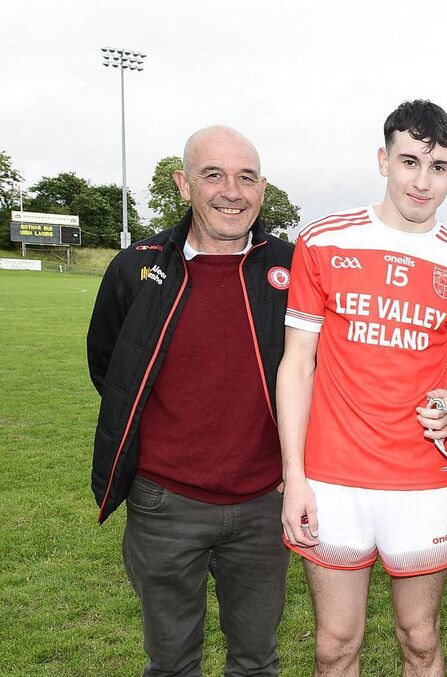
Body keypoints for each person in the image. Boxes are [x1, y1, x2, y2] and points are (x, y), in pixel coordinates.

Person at [277, 100, 447, 677]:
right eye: (409, 161)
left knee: (420, 640)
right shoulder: (324, 241)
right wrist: (295, 476)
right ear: (383, 160)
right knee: (334, 644)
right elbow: (296, 365)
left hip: (421, 480)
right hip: (332, 478)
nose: (422, 181)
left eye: (438, 167)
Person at [86, 125, 294, 676]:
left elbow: (315, 373)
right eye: (213, 175)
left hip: (264, 503)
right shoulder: (136, 267)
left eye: (246, 177)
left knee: (257, 662)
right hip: (164, 504)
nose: (232, 191)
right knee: (171, 663)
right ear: (183, 184)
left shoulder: (293, 268)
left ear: (263, 186)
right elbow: (111, 368)